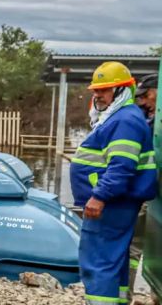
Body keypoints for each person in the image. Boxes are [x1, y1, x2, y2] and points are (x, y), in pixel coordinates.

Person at [71, 61, 157, 305]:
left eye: (105, 90)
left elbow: (122, 166)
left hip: (110, 204)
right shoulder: (122, 117)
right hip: (117, 203)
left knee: (98, 262)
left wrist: (99, 197)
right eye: (96, 90)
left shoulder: (125, 121)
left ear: (122, 90)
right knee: (114, 261)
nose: (98, 95)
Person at [129, 73, 158, 294]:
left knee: (134, 246)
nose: (144, 102)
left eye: (147, 96)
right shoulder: (147, 119)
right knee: (135, 246)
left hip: (149, 193)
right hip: (149, 193)